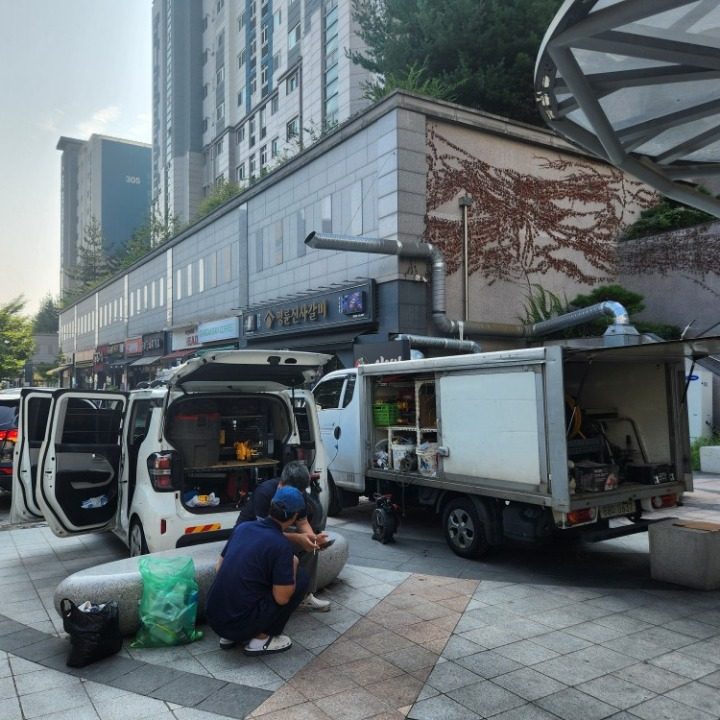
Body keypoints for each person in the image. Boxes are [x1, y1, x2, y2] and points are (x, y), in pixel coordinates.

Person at [205, 486, 309, 656]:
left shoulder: (243, 528)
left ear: (271, 505)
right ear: (295, 515)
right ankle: (261, 640)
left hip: (215, 620)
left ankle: (230, 637)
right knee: (302, 578)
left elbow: (219, 568)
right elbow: (282, 598)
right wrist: (294, 563)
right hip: (240, 624)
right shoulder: (280, 545)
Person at [235, 460, 332, 614]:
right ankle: (272, 598)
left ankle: (304, 595)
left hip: (271, 533)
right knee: (283, 547)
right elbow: (264, 534)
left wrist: (313, 538)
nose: (297, 495)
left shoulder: (300, 493)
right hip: (249, 536)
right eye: (293, 491)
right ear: (281, 484)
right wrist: (298, 538)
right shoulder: (264, 492)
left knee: (310, 546)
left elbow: (303, 521)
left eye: (300, 492)